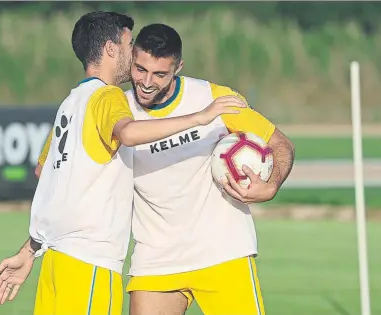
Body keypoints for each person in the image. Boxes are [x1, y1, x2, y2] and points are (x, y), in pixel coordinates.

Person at [0, 13, 247, 315]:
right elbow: (128, 133)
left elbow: (45, 174)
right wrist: (200, 117)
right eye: (128, 43)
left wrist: (30, 249)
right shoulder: (108, 96)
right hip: (89, 264)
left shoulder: (72, 103)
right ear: (112, 49)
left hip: (56, 261)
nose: (132, 49)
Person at [123, 24, 295, 315]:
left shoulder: (213, 96)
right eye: (140, 70)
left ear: (178, 67)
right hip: (156, 258)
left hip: (224, 252)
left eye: (160, 74)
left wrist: (272, 184)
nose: (147, 82)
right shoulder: (119, 111)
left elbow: (280, 144)